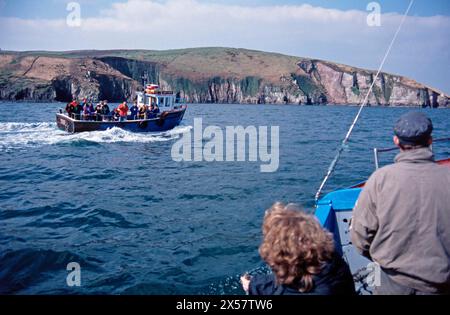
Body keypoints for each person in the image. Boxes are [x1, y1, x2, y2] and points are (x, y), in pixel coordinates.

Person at [350, 111, 450, 295]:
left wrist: (378, 258)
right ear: (430, 141)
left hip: (392, 282)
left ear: (396, 141)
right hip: (441, 283)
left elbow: (360, 236)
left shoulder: (380, 179)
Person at [241, 202, 355, 295]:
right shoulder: (334, 263)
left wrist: (253, 287)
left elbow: (289, 286)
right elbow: (296, 282)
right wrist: (254, 284)